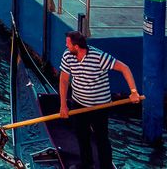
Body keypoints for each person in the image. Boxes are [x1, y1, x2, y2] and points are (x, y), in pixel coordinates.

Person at [57, 27, 139, 169]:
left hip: (100, 106)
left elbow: (124, 68)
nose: (66, 46)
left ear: (76, 46)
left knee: (102, 138)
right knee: (82, 136)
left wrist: (133, 92)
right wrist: (63, 105)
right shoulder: (67, 55)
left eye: (68, 44)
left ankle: (106, 167)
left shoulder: (99, 57)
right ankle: (86, 164)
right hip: (79, 104)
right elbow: (64, 79)